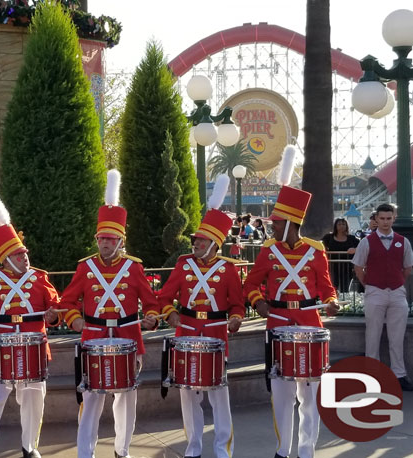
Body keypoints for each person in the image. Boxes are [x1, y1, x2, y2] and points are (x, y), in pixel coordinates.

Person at [242, 146, 339, 458]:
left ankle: (307, 450)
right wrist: (258, 303)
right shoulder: (269, 251)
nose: (271, 227)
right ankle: (283, 450)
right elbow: (251, 283)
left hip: (310, 325)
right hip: (278, 324)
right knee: (282, 395)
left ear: (292, 223)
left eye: (277, 223)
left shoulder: (316, 251)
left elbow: (326, 287)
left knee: (310, 396)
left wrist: (332, 301)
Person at [59, 170, 160, 458]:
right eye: (101, 238)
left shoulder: (134, 267)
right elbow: (67, 301)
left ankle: (122, 451)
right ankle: (85, 453)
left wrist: (152, 316)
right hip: (93, 337)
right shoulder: (85, 267)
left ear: (120, 240)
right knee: (91, 399)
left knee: (127, 399)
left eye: (109, 239)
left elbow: (150, 301)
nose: (103, 243)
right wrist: (74, 319)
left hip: (129, 336)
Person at [0, 190, 61, 458]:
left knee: (33, 402)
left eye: (25, 253)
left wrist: (53, 314)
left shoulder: (40, 278)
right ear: (5, 259)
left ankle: (30, 448)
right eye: (18, 255)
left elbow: (55, 303)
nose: (24, 257)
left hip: (33, 347)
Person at [157, 174, 244, 458]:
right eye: (195, 239)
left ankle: (223, 451)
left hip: (217, 335)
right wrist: (170, 313)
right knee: (188, 394)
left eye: (201, 240)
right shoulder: (183, 266)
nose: (195, 243)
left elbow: (237, 304)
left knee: (220, 396)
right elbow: (163, 297)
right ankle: (193, 449)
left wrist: (236, 319)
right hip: (187, 331)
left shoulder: (229, 269)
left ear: (215, 243)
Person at [352, 203, 413, 392]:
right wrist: (370, 285)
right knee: (373, 335)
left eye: (389, 218)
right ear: (376, 219)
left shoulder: (403, 241)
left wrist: (397, 282)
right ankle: (372, 377)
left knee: (397, 336)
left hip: (396, 292)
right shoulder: (366, 242)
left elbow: (408, 268)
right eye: (382, 218)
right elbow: (358, 267)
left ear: (393, 218)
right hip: (375, 291)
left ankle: (399, 375)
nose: (386, 222)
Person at [321, 218, 360, 293]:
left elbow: (362, 246)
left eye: (343, 224)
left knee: (345, 288)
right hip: (332, 267)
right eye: (339, 224)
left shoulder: (352, 238)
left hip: (347, 268)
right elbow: (320, 245)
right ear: (335, 226)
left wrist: (355, 249)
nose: (341, 226)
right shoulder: (328, 237)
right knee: (332, 287)